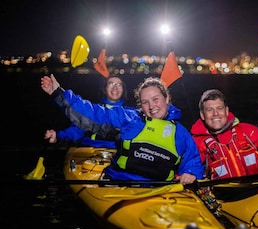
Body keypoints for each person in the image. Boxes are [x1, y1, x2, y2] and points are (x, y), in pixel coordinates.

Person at [41, 74, 203, 185]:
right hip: (120, 182)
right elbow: (93, 114)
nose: (152, 106)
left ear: (167, 98)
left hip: (159, 188)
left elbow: (192, 160)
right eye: (145, 102)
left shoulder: (181, 133)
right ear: (140, 105)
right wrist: (59, 94)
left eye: (156, 99)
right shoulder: (130, 119)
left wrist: (190, 173)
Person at [190, 89, 258, 180]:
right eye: (209, 110)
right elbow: (189, 167)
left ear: (226, 111)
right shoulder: (196, 143)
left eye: (220, 108)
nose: (216, 114)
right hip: (224, 197)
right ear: (202, 115)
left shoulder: (248, 131)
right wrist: (189, 174)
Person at [44, 75, 133, 148]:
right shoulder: (94, 110)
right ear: (105, 88)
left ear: (123, 89)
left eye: (119, 84)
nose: (115, 87)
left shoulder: (131, 113)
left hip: (118, 154)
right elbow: (78, 128)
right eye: (111, 84)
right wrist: (58, 136)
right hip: (91, 151)